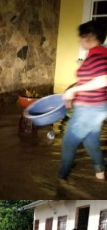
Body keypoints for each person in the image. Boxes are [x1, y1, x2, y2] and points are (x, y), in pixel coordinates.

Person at [60, 20, 107, 182]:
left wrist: (74, 90)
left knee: (68, 143)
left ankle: (61, 179)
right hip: (94, 108)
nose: (79, 40)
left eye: (81, 37)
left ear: (89, 36)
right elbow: (91, 81)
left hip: (89, 110)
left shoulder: (98, 56)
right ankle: (100, 174)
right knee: (91, 142)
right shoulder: (98, 53)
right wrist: (72, 96)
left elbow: (103, 81)